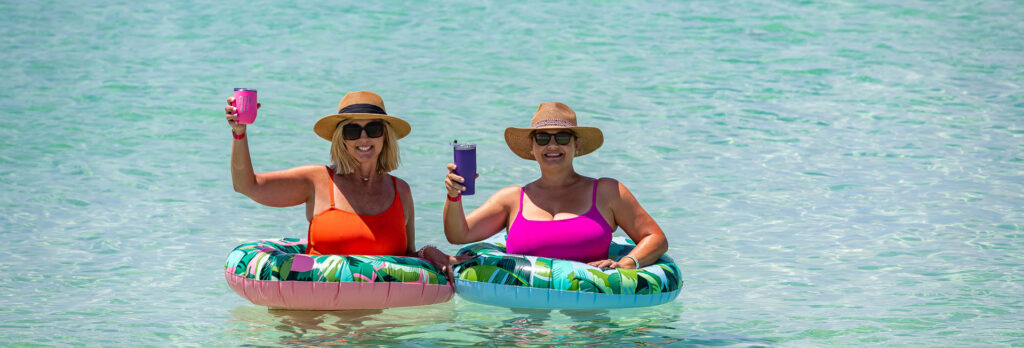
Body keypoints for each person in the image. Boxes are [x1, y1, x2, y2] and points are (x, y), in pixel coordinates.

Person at [224, 90, 453, 274]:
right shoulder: (316, 180)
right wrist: (239, 133)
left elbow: (405, 258)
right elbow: (246, 185)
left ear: (385, 136)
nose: (364, 138)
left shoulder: (400, 190)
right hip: (314, 316)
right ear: (341, 140)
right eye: (352, 131)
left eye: (373, 129)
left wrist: (428, 252)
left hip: (375, 321)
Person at [443, 102, 668, 269]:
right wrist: (454, 197)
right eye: (542, 138)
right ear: (532, 146)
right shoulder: (512, 198)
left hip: (589, 311)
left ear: (576, 144)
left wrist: (628, 263)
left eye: (561, 137)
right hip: (525, 317)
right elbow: (459, 234)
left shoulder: (607, 192)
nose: (552, 145)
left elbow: (655, 238)